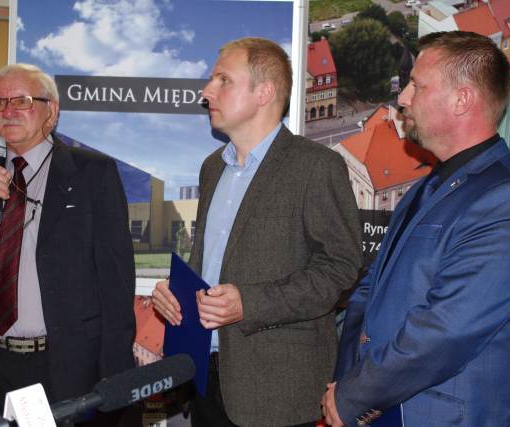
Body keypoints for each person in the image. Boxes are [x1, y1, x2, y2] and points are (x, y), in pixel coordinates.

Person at [322, 31, 510, 427]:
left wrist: (355, 395)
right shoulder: (427, 187)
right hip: (381, 406)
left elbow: (447, 330)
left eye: (417, 85)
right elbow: (371, 292)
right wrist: (347, 383)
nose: (403, 98)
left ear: (462, 100)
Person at [151, 37, 363, 427]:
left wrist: (250, 303)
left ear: (264, 92)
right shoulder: (212, 168)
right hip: (205, 379)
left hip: (276, 393)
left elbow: (340, 269)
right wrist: (175, 293)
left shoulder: (316, 166)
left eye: (223, 80)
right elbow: (209, 265)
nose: (206, 91)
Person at [0, 64, 136, 425]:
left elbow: (116, 282)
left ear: (51, 111)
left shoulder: (92, 173)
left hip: (62, 366)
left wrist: (115, 376)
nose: (7, 111)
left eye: (21, 101)